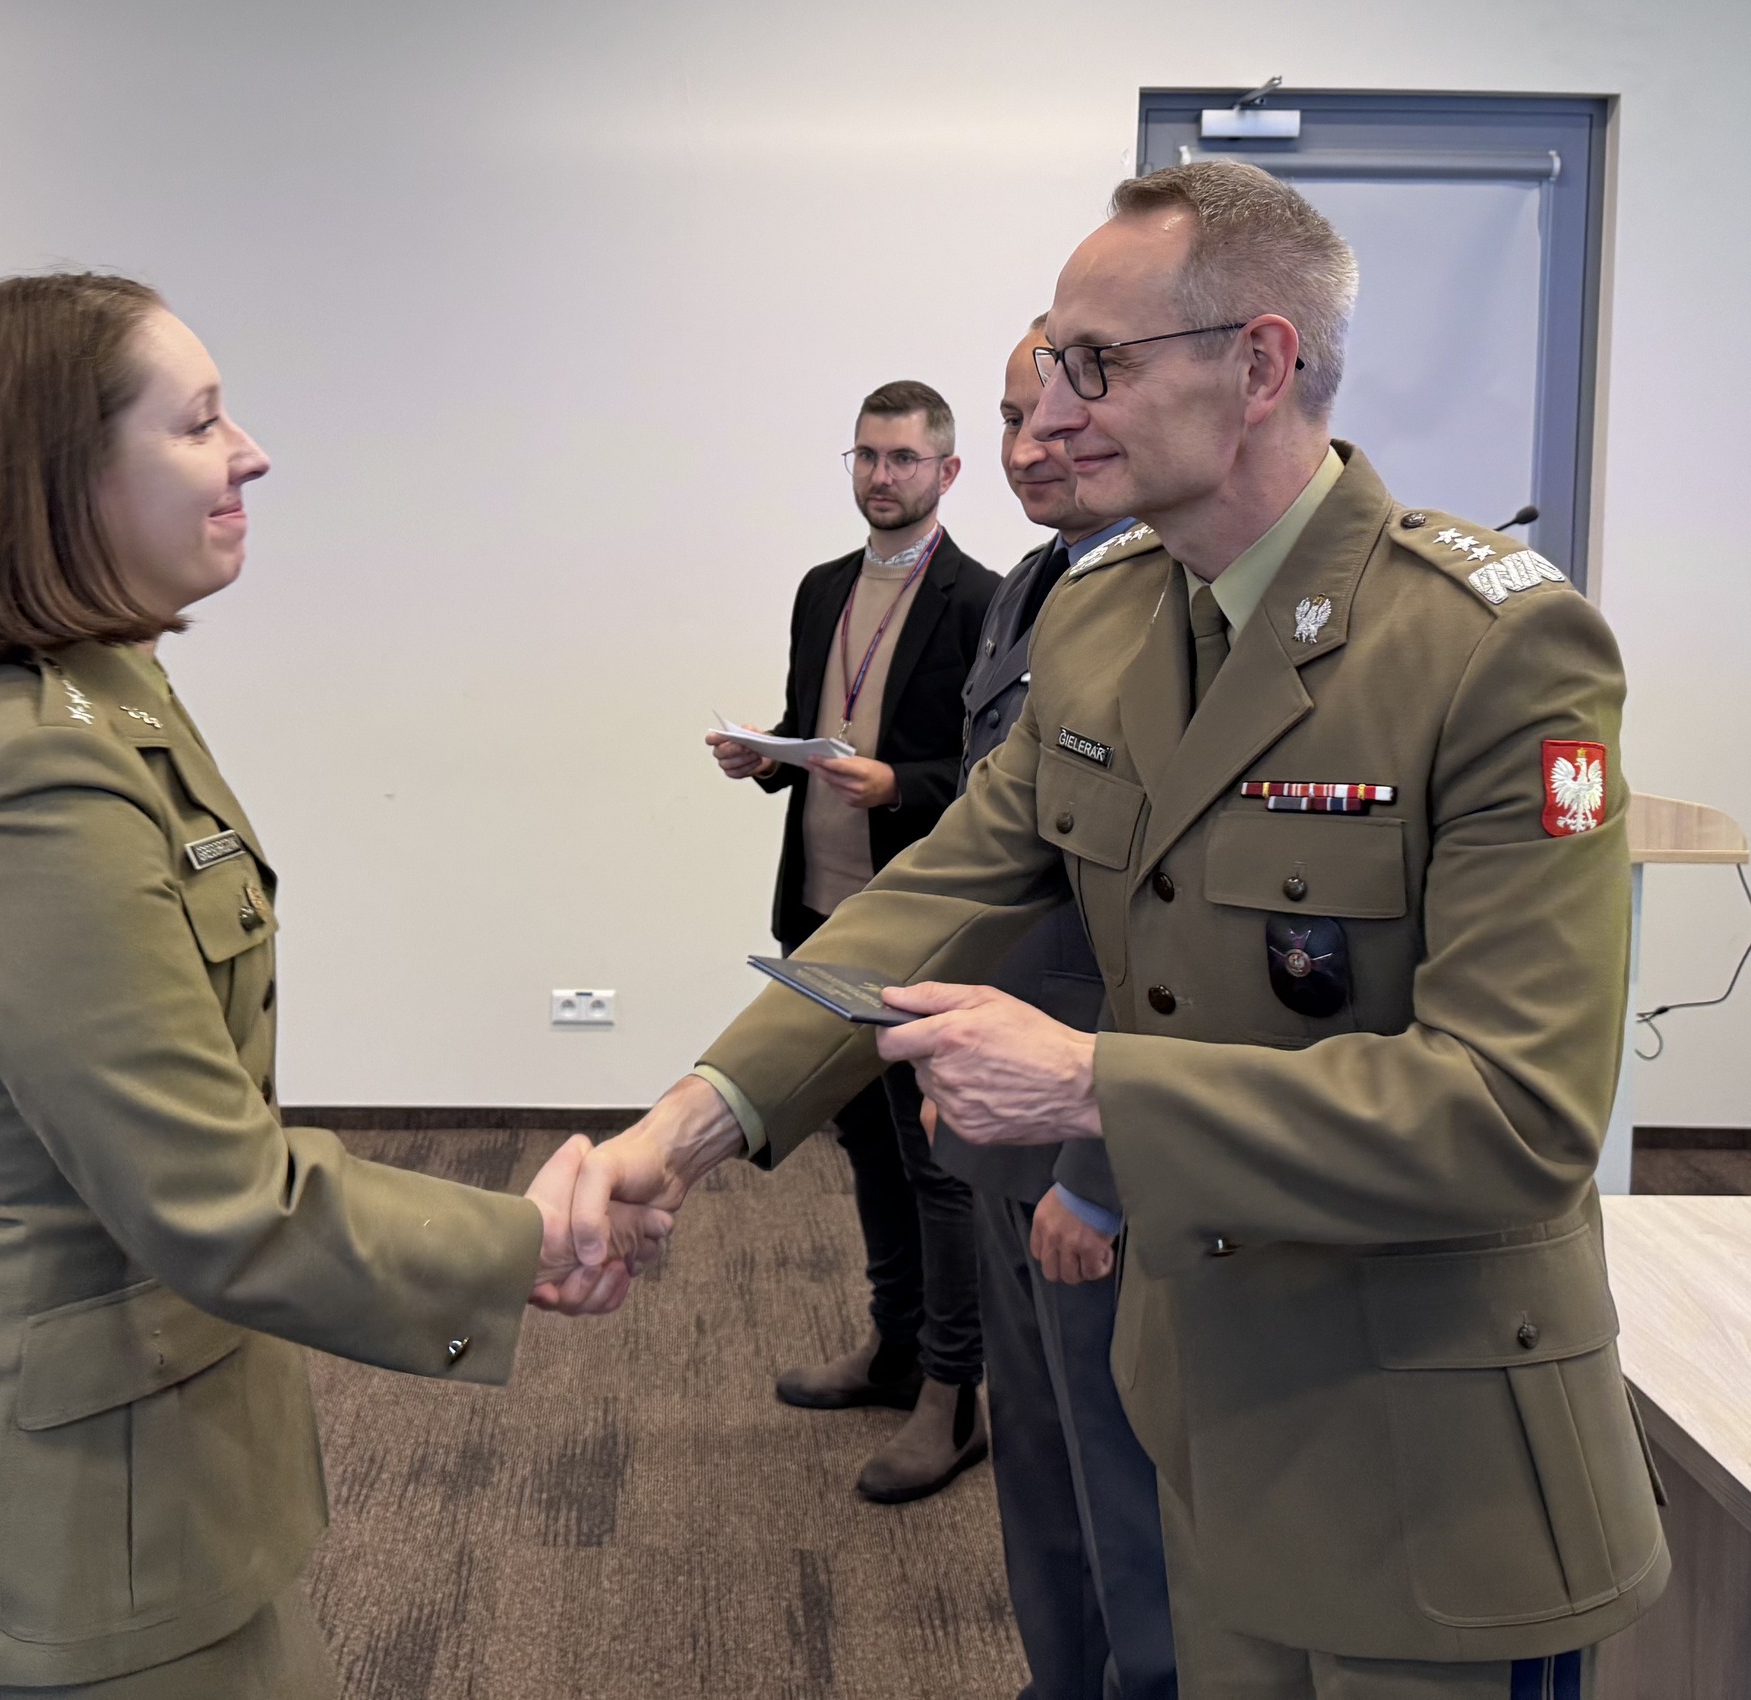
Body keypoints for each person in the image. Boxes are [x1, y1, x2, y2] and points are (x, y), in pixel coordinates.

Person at [578, 160, 1667, 1698]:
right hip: (1206, 1424)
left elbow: (1517, 1116)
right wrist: (685, 1129)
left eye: (1098, 363)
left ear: (1261, 363)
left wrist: (1093, 1089)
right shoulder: (1108, 618)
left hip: (1432, 1472)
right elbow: (938, 889)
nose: (1053, 409)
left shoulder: (1494, 647)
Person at [0, 273, 668, 1698]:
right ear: (62, 485)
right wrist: (519, 1243)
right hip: (40, 1530)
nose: (249, 450)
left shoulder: (102, 694)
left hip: (143, 1467)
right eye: (198, 424)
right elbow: (211, 1190)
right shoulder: (32, 763)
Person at [928, 316, 1173, 1700]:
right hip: (997, 1115)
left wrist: (1097, 1173)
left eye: (1064, 417)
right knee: (1032, 1447)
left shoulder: (1171, 620)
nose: (1033, 449)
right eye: (1014, 420)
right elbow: (986, 867)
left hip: (1100, 1144)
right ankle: (1060, 1679)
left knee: (1119, 1465)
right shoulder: (1035, 592)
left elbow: (1163, 939)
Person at [704, 379, 1000, 1501]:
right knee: (866, 1147)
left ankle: (951, 1392)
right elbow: (813, 723)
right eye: (867, 456)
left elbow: (988, 775)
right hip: (821, 907)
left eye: (905, 458)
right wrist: (765, 756)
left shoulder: (981, 599)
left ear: (945, 473)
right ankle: (890, 1346)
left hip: (919, 918)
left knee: (937, 1166)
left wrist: (899, 783)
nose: (882, 475)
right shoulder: (821, 587)